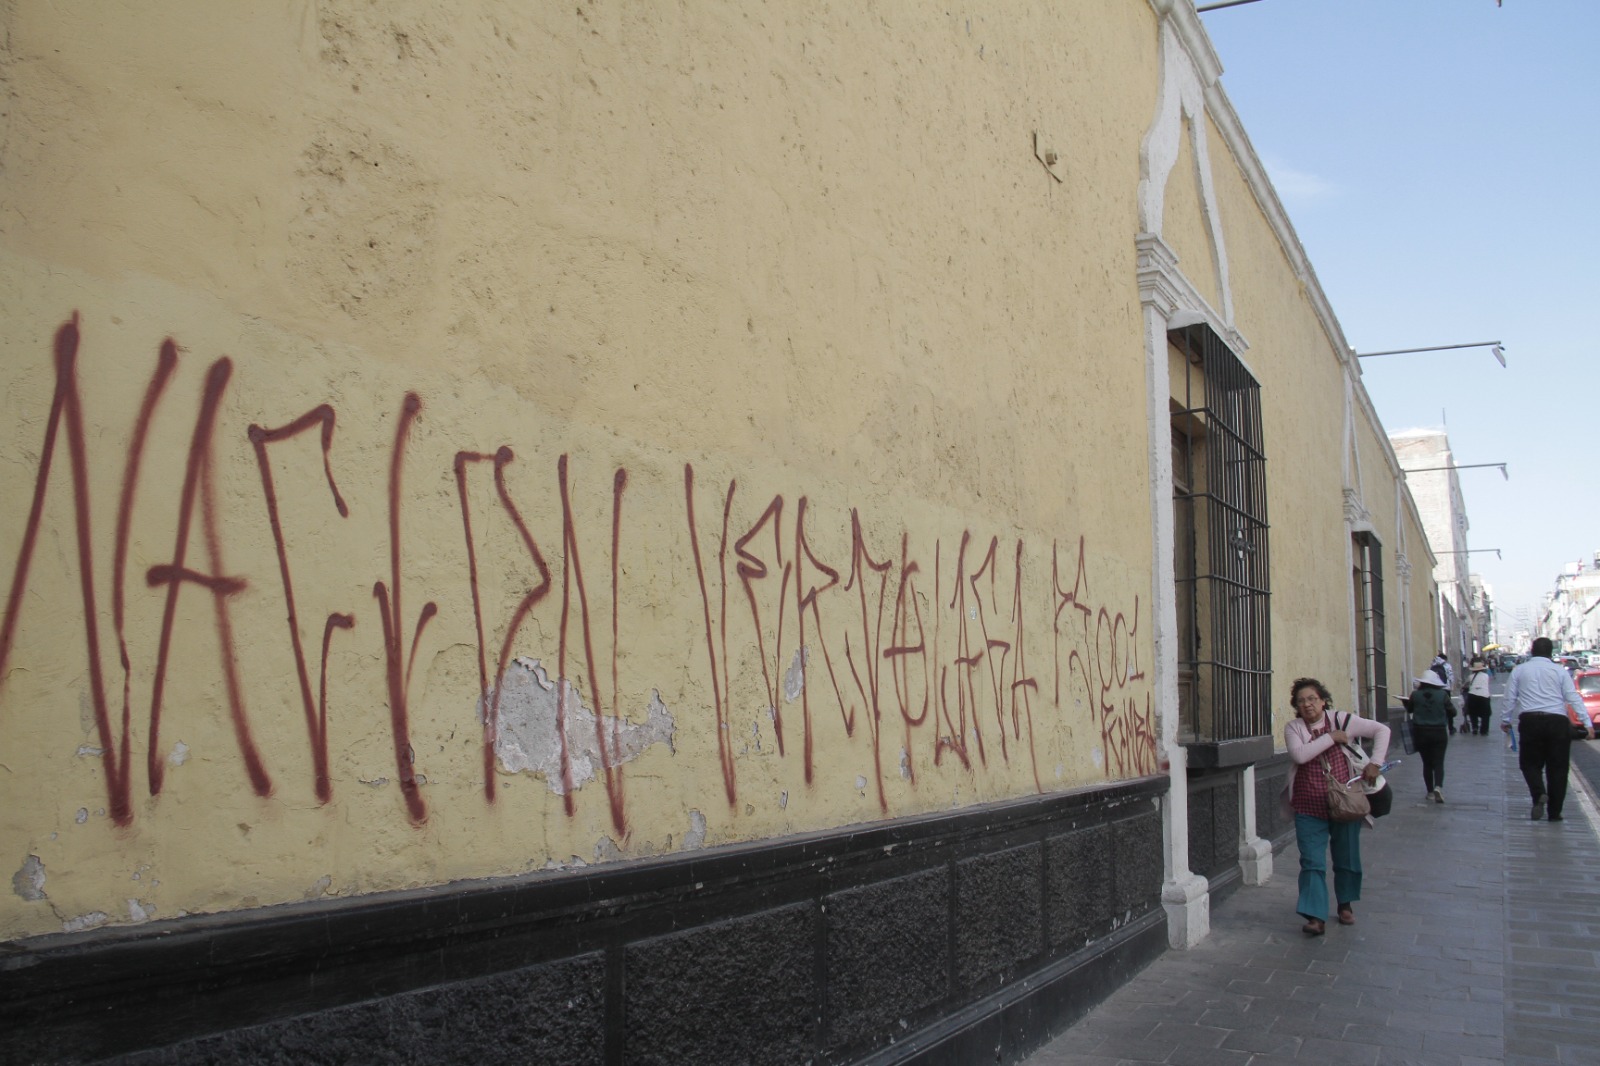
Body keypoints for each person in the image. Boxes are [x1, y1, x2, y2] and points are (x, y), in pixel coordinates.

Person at [1283, 677, 1390, 936]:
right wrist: (1331, 738)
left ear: (1323, 700)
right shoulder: (1294, 728)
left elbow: (1381, 730)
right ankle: (1315, 915)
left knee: (1347, 856)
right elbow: (1300, 755)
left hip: (1345, 802)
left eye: (1312, 699)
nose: (1307, 705)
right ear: (1296, 706)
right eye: (1301, 701)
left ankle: (1346, 904)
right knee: (1311, 861)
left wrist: (1376, 762)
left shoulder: (1342, 720)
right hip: (1308, 806)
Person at [1502, 637, 1594, 821]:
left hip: (1530, 722)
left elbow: (1509, 697)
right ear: (1550, 652)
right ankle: (1554, 812)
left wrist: (1505, 719)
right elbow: (1572, 697)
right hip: (1557, 723)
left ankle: (1538, 794)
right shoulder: (1559, 671)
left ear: (1532, 650)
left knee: (1529, 764)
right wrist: (1587, 723)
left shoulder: (1519, 670)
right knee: (1558, 768)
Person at [1407, 670, 1453, 802]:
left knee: (1426, 763)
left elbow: (1410, 709)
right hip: (1439, 731)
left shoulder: (1415, 695)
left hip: (1420, 732)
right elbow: (1453, 712)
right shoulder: (1442, 695)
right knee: (1439, 761)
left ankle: (1430, 792)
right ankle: (1438, 786)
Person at [1463, 656, 1493, 736]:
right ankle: (1484, 730)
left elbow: (1465, 685)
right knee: (1486, 714)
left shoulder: (1470, 677)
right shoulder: (1486, 676)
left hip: (1473, 695)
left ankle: (1475, 727)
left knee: (1473, 713)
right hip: (1484, 695)